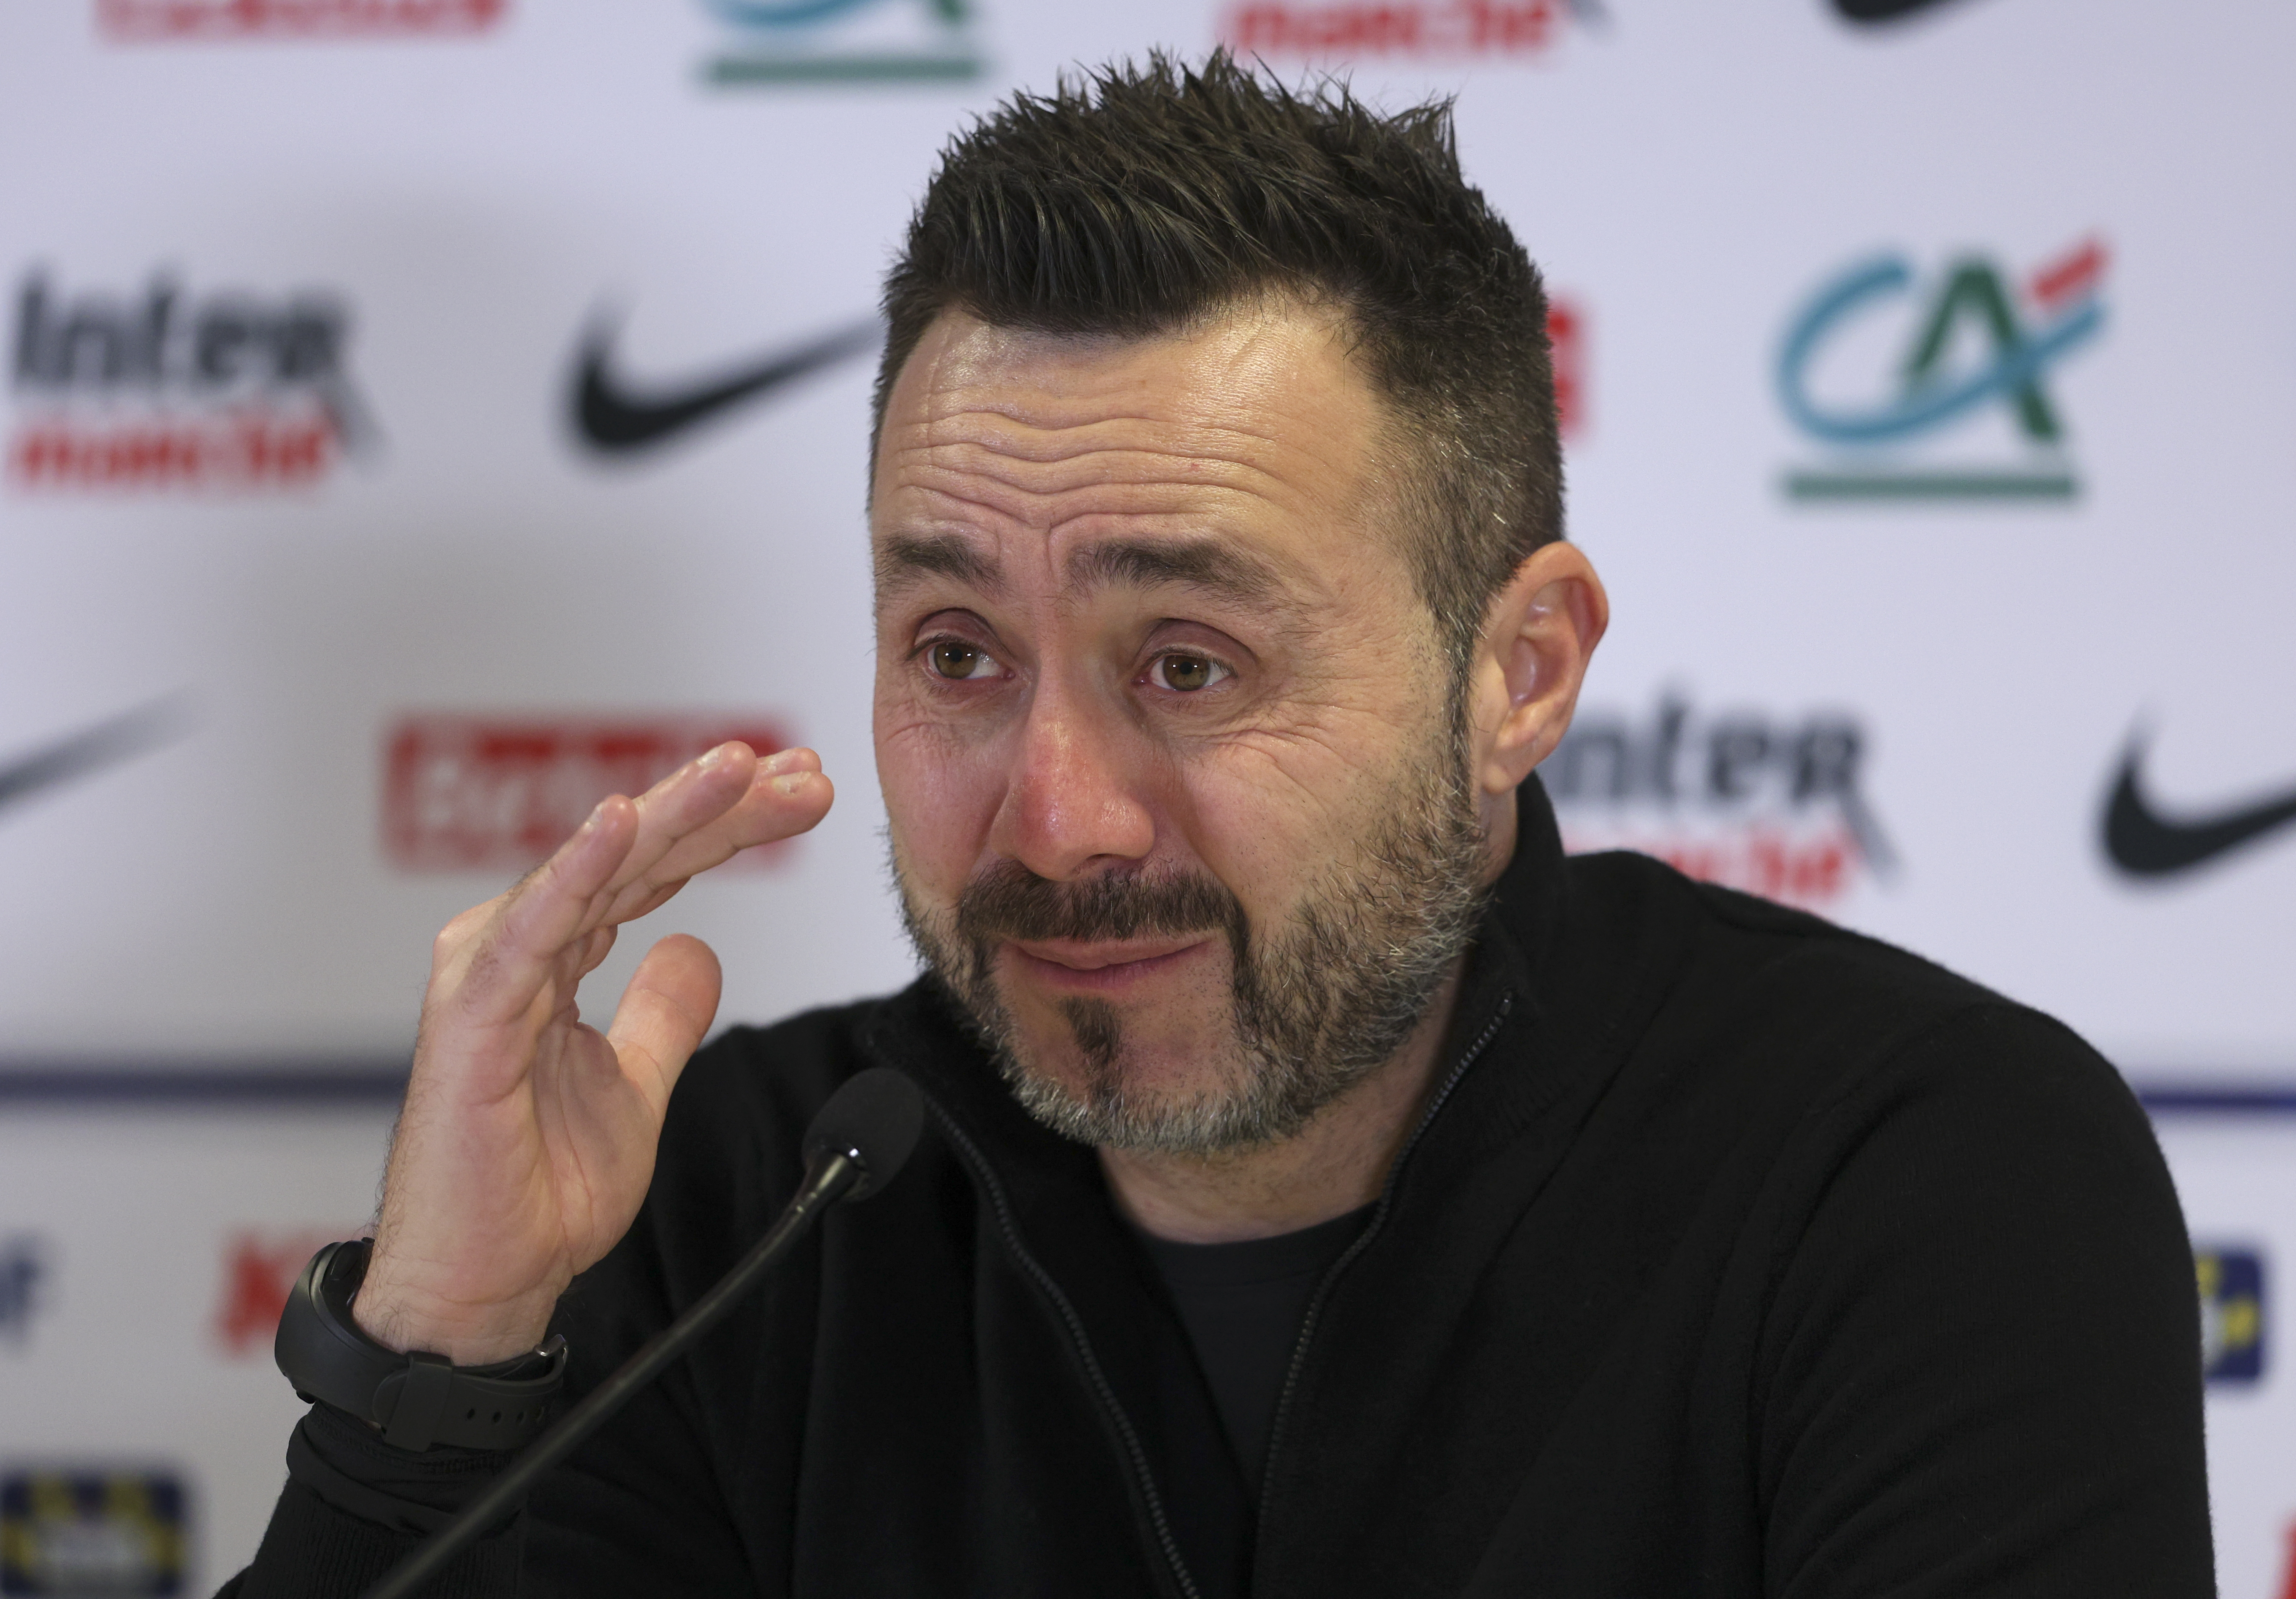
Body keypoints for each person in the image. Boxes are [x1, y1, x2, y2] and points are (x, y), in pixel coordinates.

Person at [224, 53, 2213, 1599]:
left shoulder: (1915, 1175)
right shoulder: (739, 1207)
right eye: (955, 652)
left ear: (1515, 672)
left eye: (1188, 661)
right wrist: (447, 1357)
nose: (1059, 819)